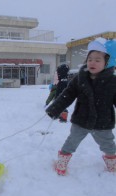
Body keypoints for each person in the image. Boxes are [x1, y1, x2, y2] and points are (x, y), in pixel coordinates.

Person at [46, 39, 116, 175]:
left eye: (97, 60)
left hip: (103, 122)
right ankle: (62, 164)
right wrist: (54, 109)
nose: (92, 62)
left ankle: (112, 164)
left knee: (108, 144)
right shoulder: (80, 78)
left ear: (106, 62)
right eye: (90, 59)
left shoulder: (113, 82)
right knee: (71, 142)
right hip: (81, 120)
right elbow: (67, 95)